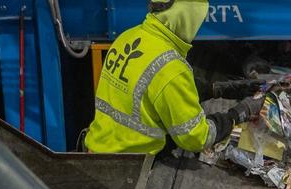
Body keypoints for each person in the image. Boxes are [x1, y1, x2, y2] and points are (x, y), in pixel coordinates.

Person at [84, 0, 262, 154]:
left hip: (96, 150)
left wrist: (215, 89)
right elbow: (196, 138)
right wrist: (235, 116)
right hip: (129, 165)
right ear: (186, 17)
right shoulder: (171, 67)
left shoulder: (128, 36)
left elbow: (152, 92)